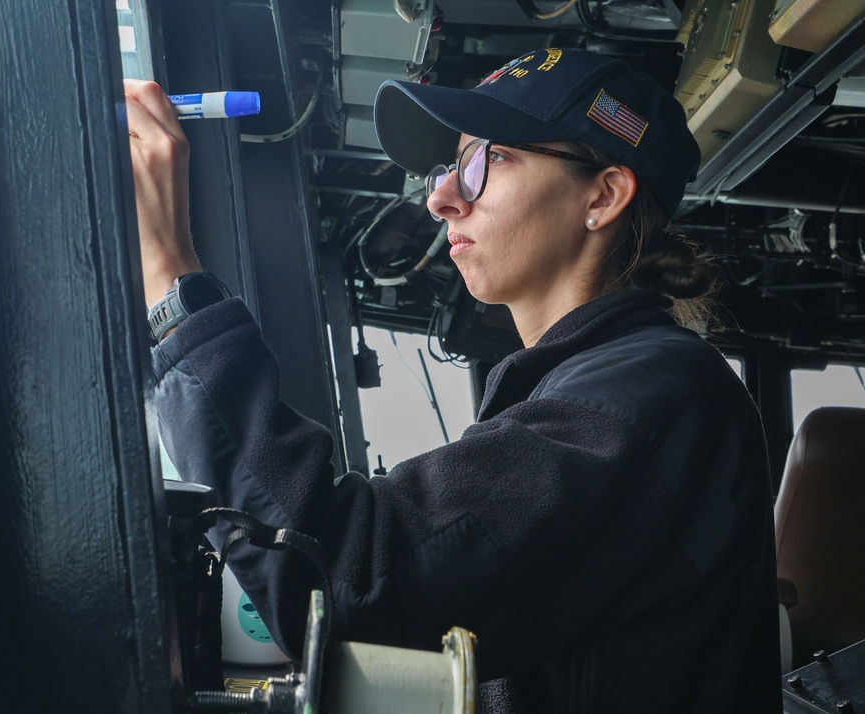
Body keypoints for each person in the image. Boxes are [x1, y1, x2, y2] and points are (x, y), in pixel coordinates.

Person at [124, 48, 781, 713]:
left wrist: (168, 277)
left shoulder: (645, 398)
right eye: (450, 165)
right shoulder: (594, 388)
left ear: (603, 196)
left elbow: (349, 580)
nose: (442, 197)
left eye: (486, 161)